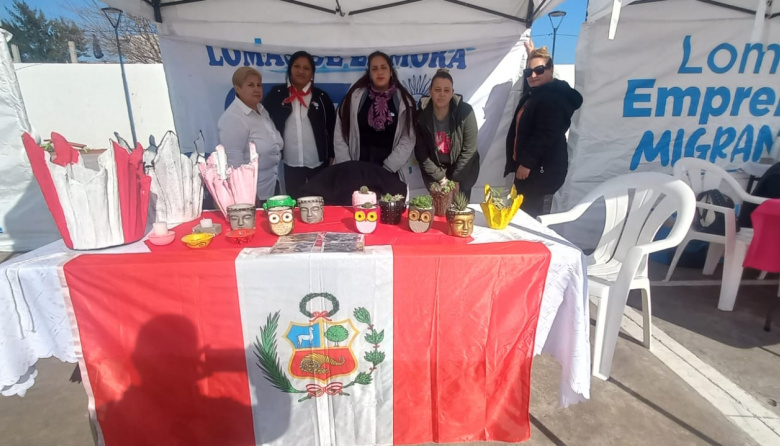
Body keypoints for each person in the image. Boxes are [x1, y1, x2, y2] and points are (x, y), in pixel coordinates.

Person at [504, 46, 582, 218]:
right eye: (528, 71)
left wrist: (527, 163)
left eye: (539, 70)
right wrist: (532, 51)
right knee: (522, 214)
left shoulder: (552, 98)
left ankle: (530, 245)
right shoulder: (539, 93)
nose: (532, 75)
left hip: (541, 171)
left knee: (531, 218)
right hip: (533, 169)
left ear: (551, 70)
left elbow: (545, 133)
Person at [334, 51, 417, 183]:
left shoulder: (403, 101)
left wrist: (388, 168)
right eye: (375, 68)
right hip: (356, 173)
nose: (380, 72)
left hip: (389, 173)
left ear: (391, 72)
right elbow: (339, 134)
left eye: (384, 68)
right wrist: (348, 167)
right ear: (369, 73)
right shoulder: (354, 98)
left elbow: (408, 139)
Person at [263, 51, 336, 199]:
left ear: (312, 74)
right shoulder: (277, 94)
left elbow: (332, 127)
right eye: (297, 66)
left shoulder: (321, 97)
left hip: (317, 162)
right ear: (290, 69)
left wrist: (332, 154)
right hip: (289, 162)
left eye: (306, 68)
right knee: (294, 204)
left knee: (318, 201)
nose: (301, 71)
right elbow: (263, 121)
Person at [218, 66, 283, 203]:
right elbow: (233, 164)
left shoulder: (261, 110)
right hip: (253, 195)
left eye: (259, 85)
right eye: (250, 85)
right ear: (237, 88)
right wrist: (247, 196)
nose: (256, 89)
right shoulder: (234, 118)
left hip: (272, 187)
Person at [415, 69, 479, 200]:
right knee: (439, 213)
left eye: (446, 90)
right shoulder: (420, 116)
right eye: (437, 90)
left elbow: (469, 150)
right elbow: (422, 154)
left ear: (452, 93)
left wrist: (456, 179)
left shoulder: (466, 112)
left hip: (462, 171)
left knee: (459, 215)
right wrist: (441, 179)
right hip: (436, 173)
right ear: (430, 91)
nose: (442, 94)